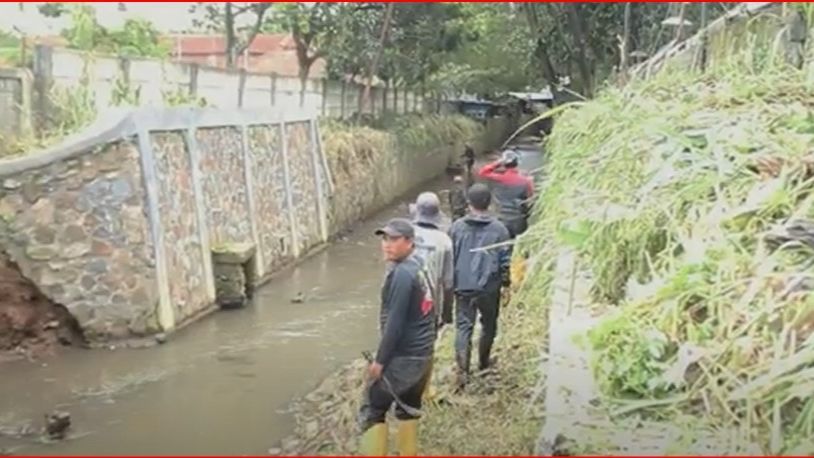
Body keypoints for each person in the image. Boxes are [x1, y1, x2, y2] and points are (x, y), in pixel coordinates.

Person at [358, 218, 436, 456]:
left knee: (372, 408)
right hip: (423, 355)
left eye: (393, 239)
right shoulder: (420, 265)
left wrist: (379, 362)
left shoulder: (402, 275)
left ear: (409, 242)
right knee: (408, 408)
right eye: (384, 239)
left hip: (404, 358)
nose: (386, 245)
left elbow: (395, 324)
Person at [448, 183, 511, 391]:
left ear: (469, 203)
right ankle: (483, 363)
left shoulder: (457, 227)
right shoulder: (500, 229)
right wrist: (506, 284)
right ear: (490, 202)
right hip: (488, 288)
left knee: (464, 326)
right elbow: (505, 260)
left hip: (463, 285)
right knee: (489, 324)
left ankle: (462, 372)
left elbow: (450, 256)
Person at [410, 192, 454, 402]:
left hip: (404, 297)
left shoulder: (404, 234)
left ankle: (398, 387)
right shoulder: (444, 241)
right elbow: (448, 282)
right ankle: (424, 391)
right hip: (429, 302)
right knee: (427, 347)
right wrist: (446, 313)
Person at [476, 149, 534, 239]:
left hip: (501, 218)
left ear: (504, 164)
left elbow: (483, 172)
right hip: (519, 220)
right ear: (517, 163)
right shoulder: (526, 180)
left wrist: (499, 162)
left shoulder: (498, 178)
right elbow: (530, 199)